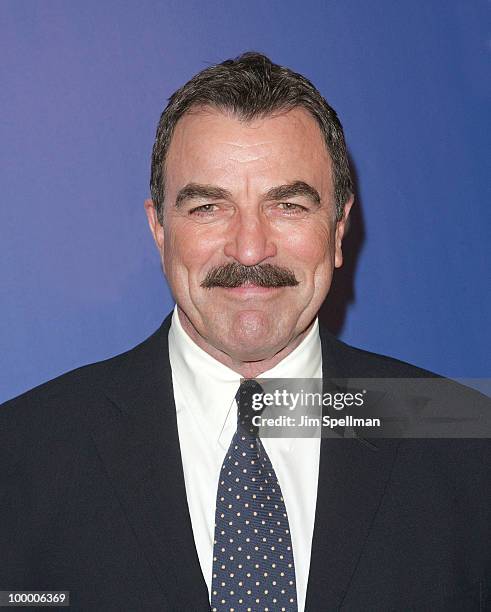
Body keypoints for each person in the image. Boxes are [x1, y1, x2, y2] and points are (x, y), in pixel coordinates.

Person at [0, 52, 489, 611]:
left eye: (288, 205)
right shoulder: (21, 455)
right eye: (209, 207)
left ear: (338, 230)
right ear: (159, 230)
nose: (251, 248)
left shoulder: (470, 447)